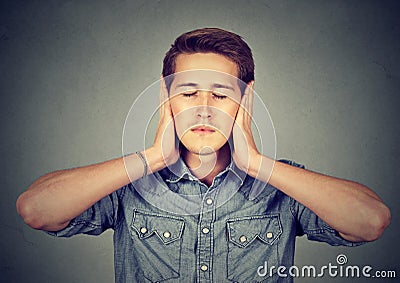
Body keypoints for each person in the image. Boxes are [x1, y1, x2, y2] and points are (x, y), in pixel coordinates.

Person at [16, 28, 390, 282]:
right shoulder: (130, 184)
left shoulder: (281, 185)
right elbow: (36, 209)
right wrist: (151, 158)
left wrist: (258, 164)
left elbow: (370, 221)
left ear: (246, 99)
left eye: (222, 94)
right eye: (189, 93)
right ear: (165, 98)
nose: (204, 109)